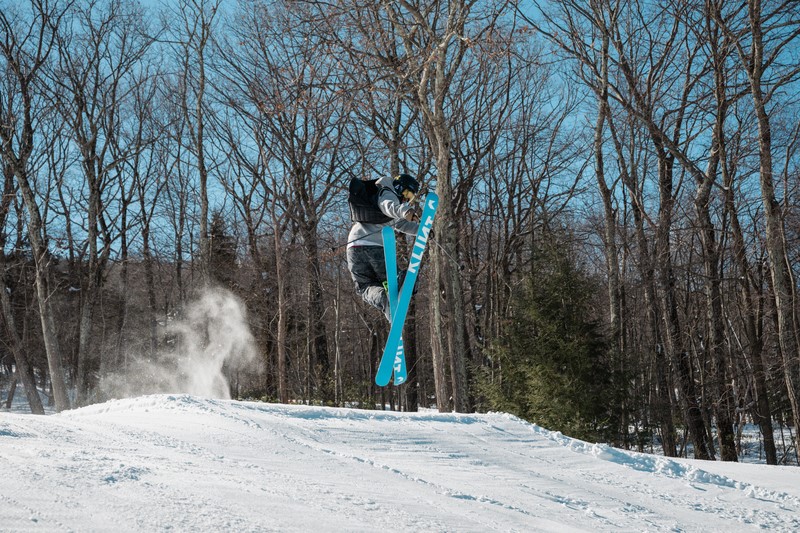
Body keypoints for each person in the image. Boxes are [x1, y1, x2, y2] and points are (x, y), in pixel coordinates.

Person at [347, 173, 420, 321]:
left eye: (410, 197)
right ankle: (404, 280)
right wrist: (405, 211)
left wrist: (421, 230)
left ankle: (383, 300)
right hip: (375, 247)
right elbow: (388, 206)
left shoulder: (382, 195)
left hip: (354, 248)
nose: (406, 198)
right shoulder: (387, 191)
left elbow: (400, 224)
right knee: (390, 280)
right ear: (399, 187)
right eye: (407, 193)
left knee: (365, 286)